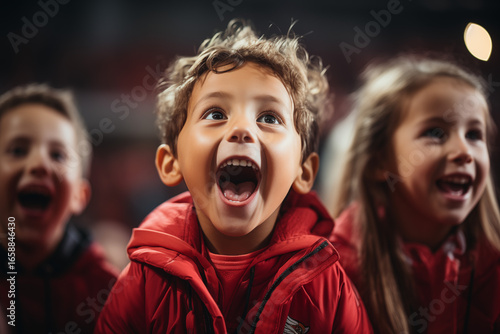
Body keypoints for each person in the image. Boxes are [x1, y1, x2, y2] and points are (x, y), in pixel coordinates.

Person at [96, 19, 372, 333]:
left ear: (303, 171)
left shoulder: (328, 286)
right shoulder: (143, 280)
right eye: (216, 114)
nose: (242, 129)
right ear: (171, 162)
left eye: (268, 117)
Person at [329, 56, 500, 333]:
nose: (464, 152)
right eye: (435, 133)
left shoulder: (492, 266)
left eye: (474, 134)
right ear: (379, 161)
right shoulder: (335, 272)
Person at [0, 84, 119, 333]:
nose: (39, 163)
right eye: (18, 150)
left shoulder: (109, 295)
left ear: (79, 195)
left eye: (58, 156)